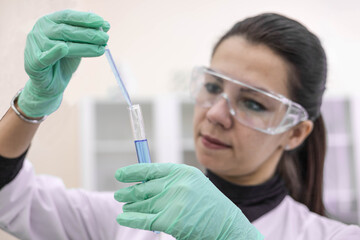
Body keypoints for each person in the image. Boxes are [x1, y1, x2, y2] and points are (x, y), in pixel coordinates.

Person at [0, 9, 359, 240]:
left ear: (295, 132)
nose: (216, 114)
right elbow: (9, 200)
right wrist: (31, 105)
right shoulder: (125, 218)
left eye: (252, 102)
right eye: (213, 87)